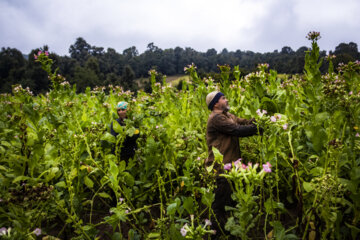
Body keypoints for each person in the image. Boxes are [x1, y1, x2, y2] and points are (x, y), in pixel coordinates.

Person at [205, 91, 261, 238]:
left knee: (230, 201)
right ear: (216, 103)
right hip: (221, 167)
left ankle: (229, 232)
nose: (227, 99)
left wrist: (261, 120)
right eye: (223, 98)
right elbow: (238, 130)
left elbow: (243, 122)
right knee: (219, 204)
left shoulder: (228, 116)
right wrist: (257, 129)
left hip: (231, 166)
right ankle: (213, 234)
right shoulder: (216, 118)